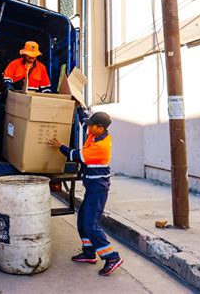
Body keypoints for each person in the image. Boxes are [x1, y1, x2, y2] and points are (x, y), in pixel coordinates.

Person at [49, 109, 123, 276]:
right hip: (92, 187)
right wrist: (78, 107)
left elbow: (77, 155)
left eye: (92, 126)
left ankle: (111, 257)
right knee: (82, 219)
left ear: (101, 128)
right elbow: (83, 121)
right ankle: (89, 253)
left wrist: (60, 146)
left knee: (91, 224)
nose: (88, 129)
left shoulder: (101, 146)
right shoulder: (95, 135)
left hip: (98, 189)